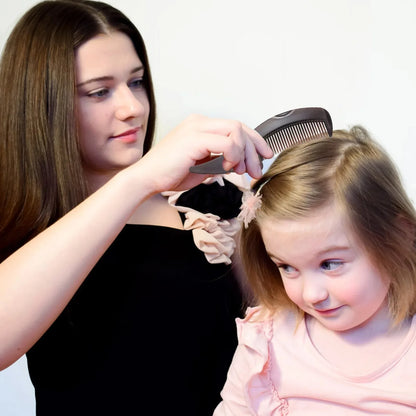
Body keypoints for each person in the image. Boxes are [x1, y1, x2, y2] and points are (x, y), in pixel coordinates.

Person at [0, 1, 273, 415]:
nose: (133, 107)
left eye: (138, 82)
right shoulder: (28, 228)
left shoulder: (208, 204)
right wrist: (141, 178)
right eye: (99, 92)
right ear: (44, 105)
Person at [214, 126, 416, 415]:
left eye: (330, 264)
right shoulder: (267, 342)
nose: (311, 294)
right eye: (286, 267)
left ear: (398, 235)